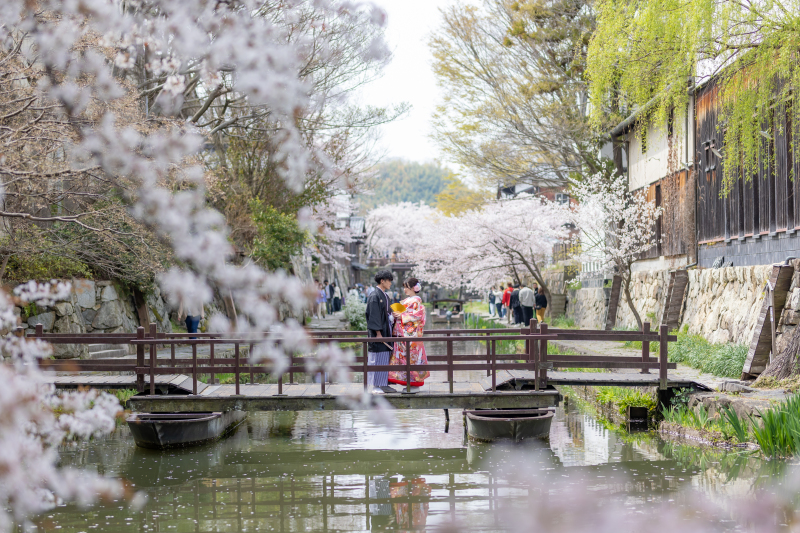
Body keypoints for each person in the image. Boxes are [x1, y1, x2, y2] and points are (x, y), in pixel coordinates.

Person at [389, 277, 430, 387]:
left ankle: (413, 383)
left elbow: (418, 316)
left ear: (412, 288)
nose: (404, 289)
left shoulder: (415, 301)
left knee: (411, 359)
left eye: (406, 287)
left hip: (410, 335)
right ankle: (407, 383)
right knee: (404, 359)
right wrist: (396, 315)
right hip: (403, 334)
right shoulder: (408, 300)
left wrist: (401, 315)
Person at [365, 270, 396, 394]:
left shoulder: (385, 295)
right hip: (379, 334)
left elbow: (386, 313)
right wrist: (378, 333)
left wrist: (392, 316)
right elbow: (374, 316)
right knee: (377, 358)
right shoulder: (374, 296)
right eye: (389, 281)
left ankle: (384, 384)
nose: (390, 283)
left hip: (386, 332)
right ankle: (376, 385)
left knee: (385, 358)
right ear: (382, 281)